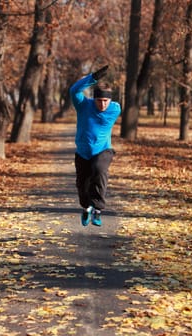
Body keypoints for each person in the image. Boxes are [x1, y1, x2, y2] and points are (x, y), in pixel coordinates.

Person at [69, 65, 121, 227]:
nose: (103, 105)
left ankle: (97, 209)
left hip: (103, 150)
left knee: (99, 170)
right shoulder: (83, 105)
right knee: (82, 183)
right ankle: (86, 208)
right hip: (83, 152)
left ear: (110, 100)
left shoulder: (115, 109)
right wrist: (93, 78)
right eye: (99, 101)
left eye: (106, 101)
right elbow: (74, 91)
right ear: (94, 99)